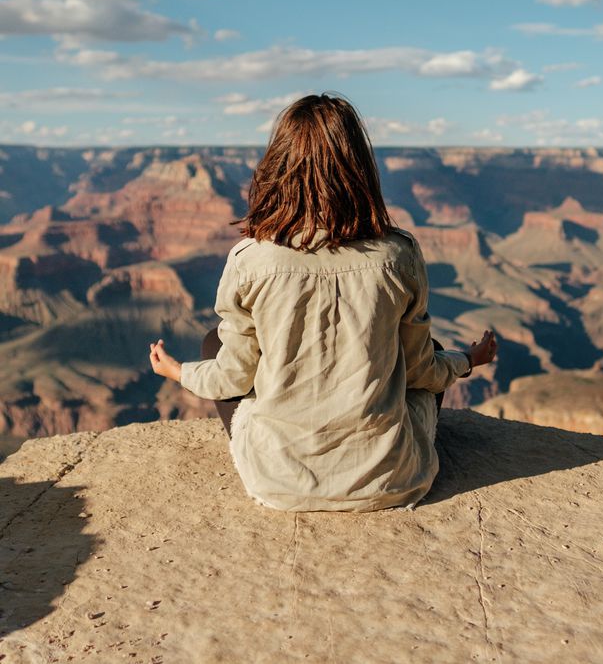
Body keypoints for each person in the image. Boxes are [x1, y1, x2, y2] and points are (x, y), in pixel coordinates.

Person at [148, 93, 496, 512]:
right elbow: (423, 371)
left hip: (278, 483)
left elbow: (233, 379)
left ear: (278, 167)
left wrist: (177, 372)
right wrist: (467, 360)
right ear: (359, 167)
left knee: (213, 344)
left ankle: (285, 459)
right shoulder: (398, 254)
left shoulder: (250, 259)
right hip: (391, 480)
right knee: (430, 350)